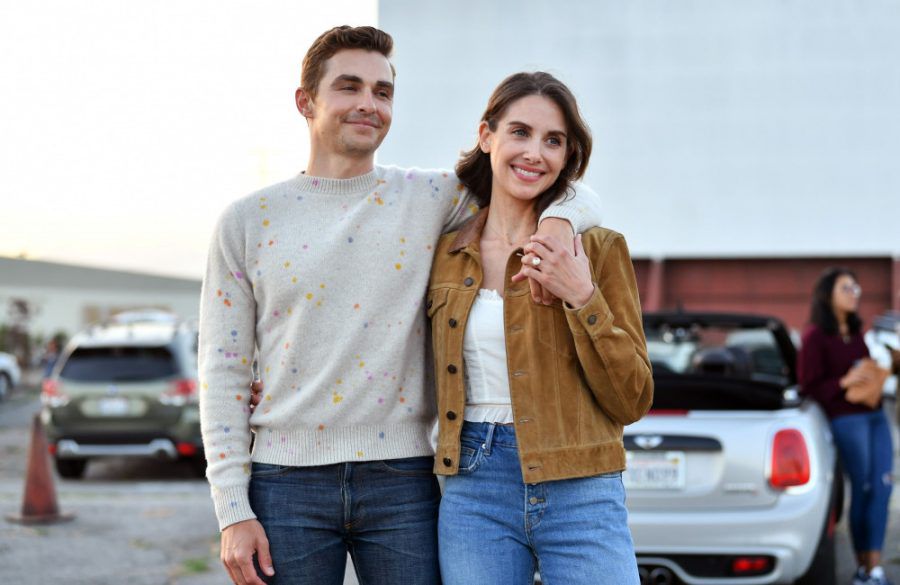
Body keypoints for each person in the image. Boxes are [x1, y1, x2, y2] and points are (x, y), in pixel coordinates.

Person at [199, 26, 602, 585]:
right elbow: (222, 369)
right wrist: (232, 510)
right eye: (349, 87)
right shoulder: (247, 221)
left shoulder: (433, 197)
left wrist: (558, 221)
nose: (369, 104)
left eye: (383, 92)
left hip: (403, 479)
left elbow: (551, 182)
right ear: (305, 101)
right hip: (284, 480)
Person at [427, 72, 653, 585]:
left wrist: (582, 294)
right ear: (487, 137)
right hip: (472, 487)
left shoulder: (596, 248)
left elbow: (633, 397)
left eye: (554, 141)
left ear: (568, 156)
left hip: (582, 484)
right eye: (520, 132)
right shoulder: (444, 253)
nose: (535, 153)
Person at [797, 267, 894, 585]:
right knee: (863, 489)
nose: (854, 293)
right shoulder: (814, 336)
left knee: (882, 486)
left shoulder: (856, 333)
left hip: (875, 414)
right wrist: (844, 380)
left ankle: (874, 569)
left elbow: (863, 371)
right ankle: (862, 567)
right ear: (828, 295)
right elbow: (809, 386)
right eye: (846, 288)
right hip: (845, 419)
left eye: (856, 288)